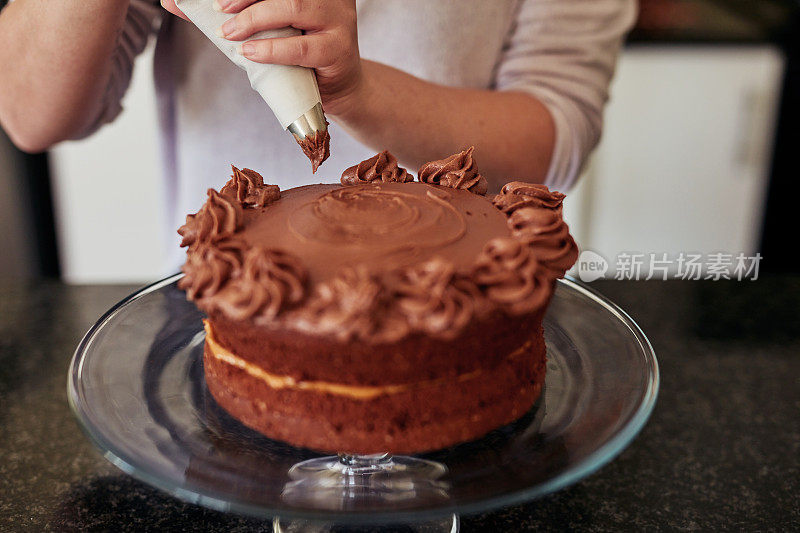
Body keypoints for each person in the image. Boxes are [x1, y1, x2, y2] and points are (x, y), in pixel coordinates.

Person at [0, 0, 635, 262]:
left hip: (457, 307)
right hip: (226, 308)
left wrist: (352, 86)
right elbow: (30, 114)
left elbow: (552, 139)